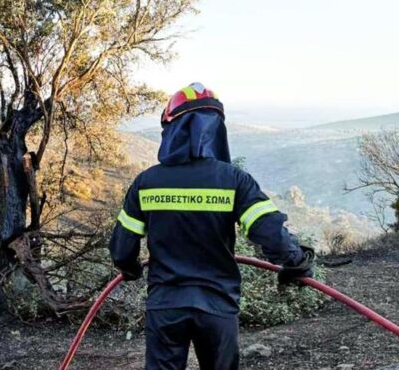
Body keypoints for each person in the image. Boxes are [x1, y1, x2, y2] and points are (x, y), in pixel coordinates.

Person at [108, 82, 315, 370]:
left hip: (166, 306)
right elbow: (271, 234)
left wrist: (129, 268)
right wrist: (297, 262)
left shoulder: (147, 182)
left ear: (171, 129)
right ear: (216, 129)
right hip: (217, 307)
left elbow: (121, 250)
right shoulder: (234, 180)